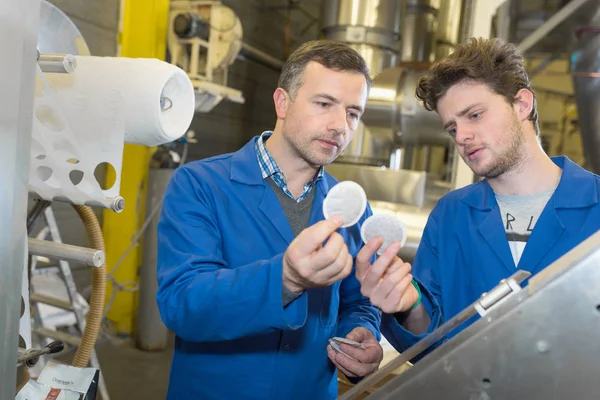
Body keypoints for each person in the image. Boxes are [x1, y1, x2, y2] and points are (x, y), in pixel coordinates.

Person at [156, 40, 396, 400]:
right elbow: (181, 304)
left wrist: (360, 331)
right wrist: (285, 279)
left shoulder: (351, 207)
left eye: (353, 113)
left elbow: (358, 301)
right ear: (282, 102)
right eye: (324, 104)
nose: (339, 126)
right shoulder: (200, 184)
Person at [354, 37, 600, 356]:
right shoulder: (451, 215)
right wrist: (409, 306)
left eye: (474, 115)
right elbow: (431, 342)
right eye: (452, 128)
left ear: (522, 104)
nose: (463, 136)